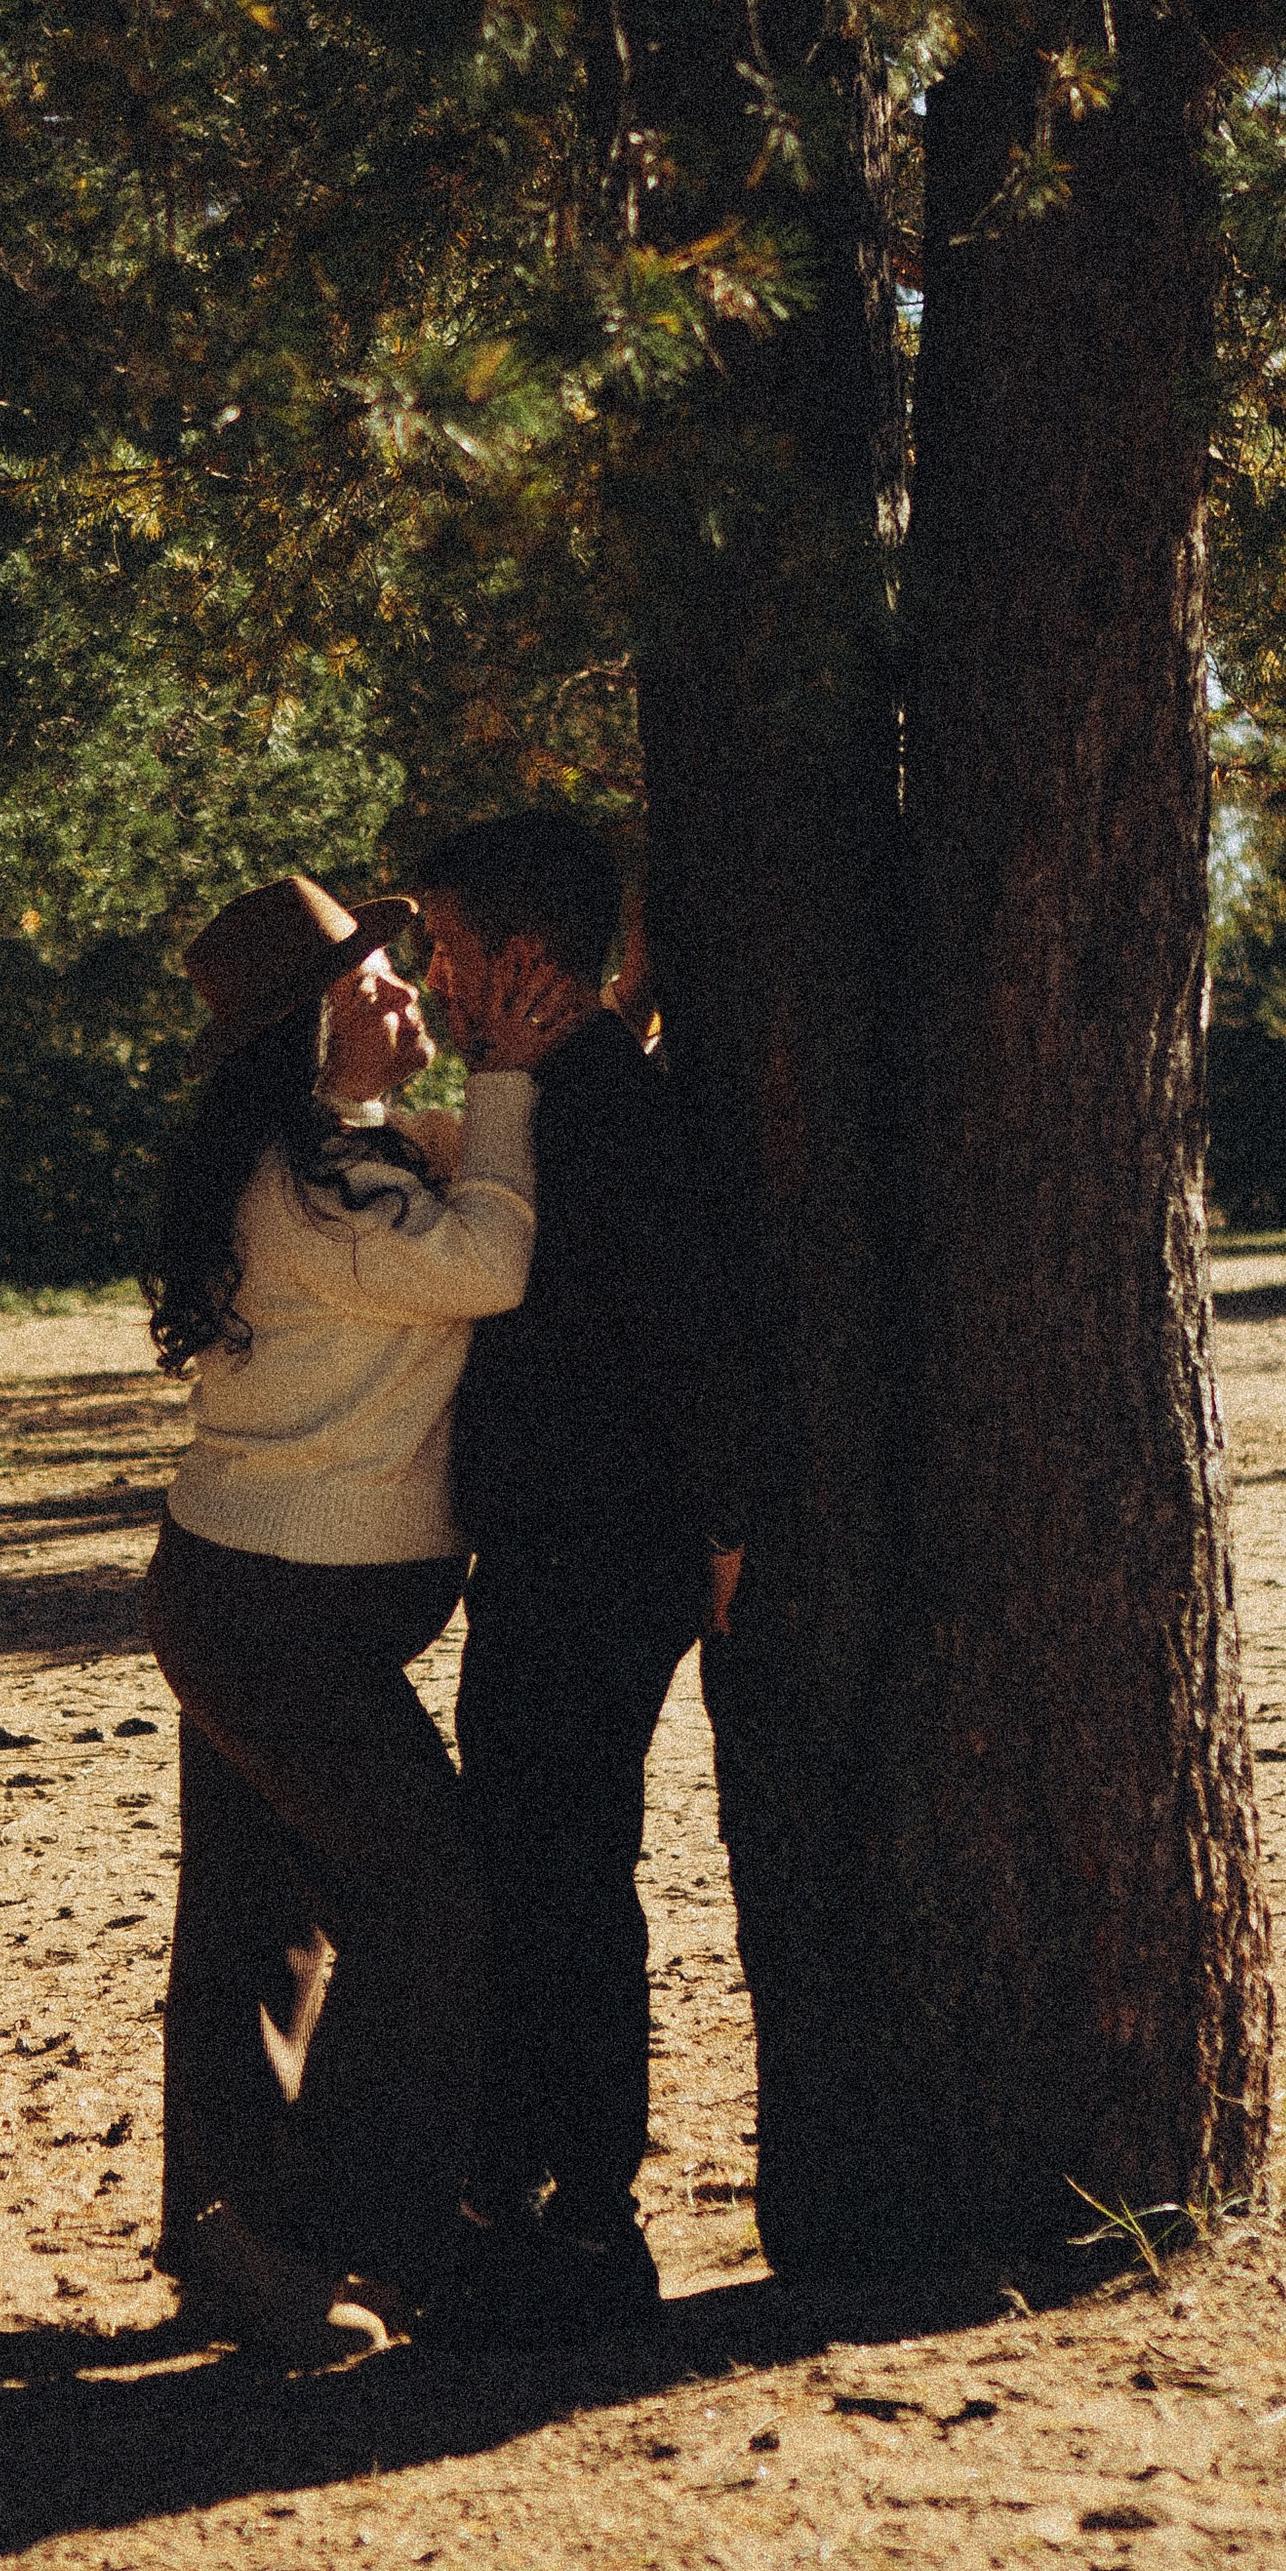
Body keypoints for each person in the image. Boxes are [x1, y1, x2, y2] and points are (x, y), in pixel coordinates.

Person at [140, 869, 570, 2364]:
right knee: (430, 1901)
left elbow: (447, 1174)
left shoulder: (326, 1157)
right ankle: (350, 2241)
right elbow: (493, 1259)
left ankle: (232, 2240)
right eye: (375, 984)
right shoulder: (323, 1194)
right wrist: (513, 1078)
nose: (408, 996)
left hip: (246, 1600)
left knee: (258, 1925)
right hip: (272, 1621)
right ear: (310, 1038)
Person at [416, 810, 749, 2345]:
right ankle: (539, 2208)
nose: (430, 980)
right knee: (546, 1879)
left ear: (524, 960)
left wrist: (724, 1522)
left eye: (446, 948)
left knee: (560, 1889)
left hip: (594, 1558)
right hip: (565, 1551)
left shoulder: (600, 1108)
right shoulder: (553, 1090)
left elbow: (688, 1325)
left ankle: (582, 2227)